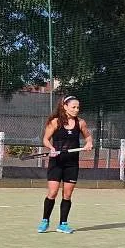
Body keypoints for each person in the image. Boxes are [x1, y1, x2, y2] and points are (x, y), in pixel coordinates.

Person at [36, 95, 93, 234]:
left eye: (78, 107)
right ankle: (45, 220)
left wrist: (89, 143)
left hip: (72, 164)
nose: (76, 110)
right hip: (56, 162)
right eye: (73, 107)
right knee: (53, 192)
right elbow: (45, 139)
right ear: (65, 107)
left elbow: (88, 137)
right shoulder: (55, 122)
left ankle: (63, 224)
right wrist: (51, 148)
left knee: (67, 195)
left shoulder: (81, 123)